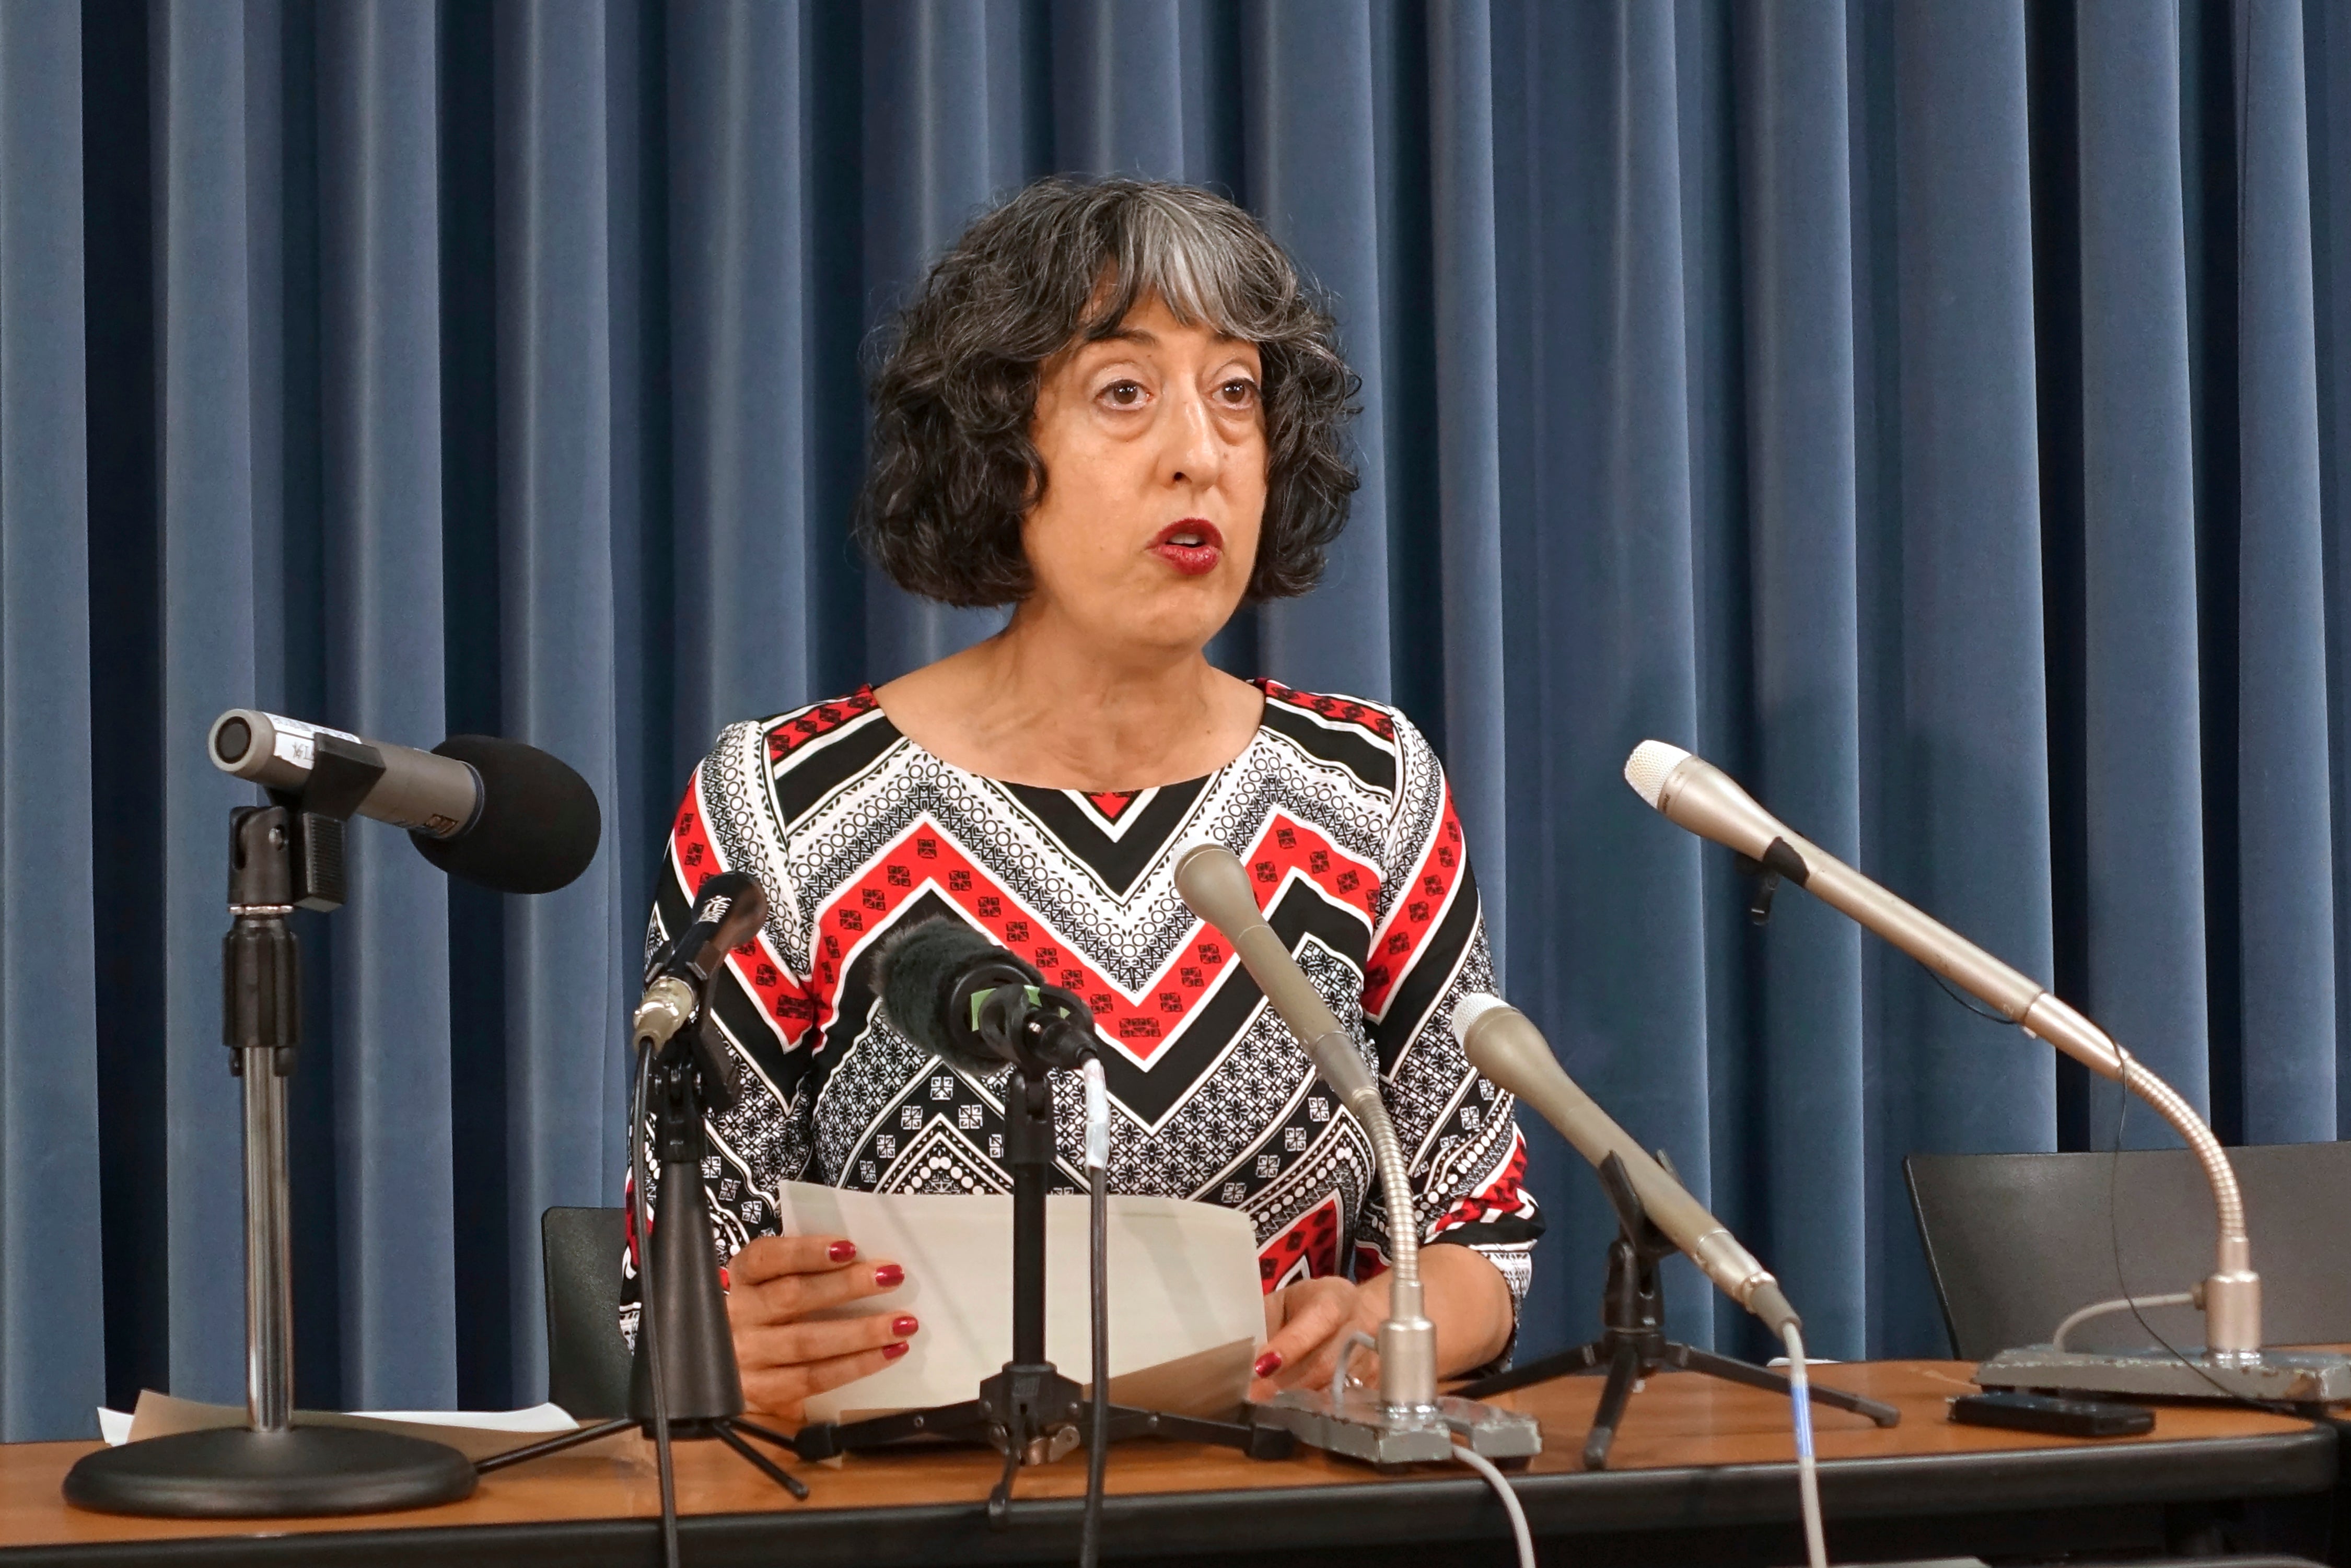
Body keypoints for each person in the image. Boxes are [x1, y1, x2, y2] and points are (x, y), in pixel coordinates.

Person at [622, 177, 1541, 1423]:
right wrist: (724, 1347)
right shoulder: (782, 805)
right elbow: (673, 1293)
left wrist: (1389, 1315)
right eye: (1126, 393)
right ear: (1003, 451)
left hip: (1283, 1510)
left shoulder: (1367, 790)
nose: (1200, 454)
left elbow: (1483, 1238)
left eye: (1236, 395)